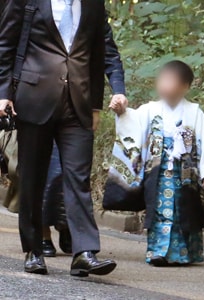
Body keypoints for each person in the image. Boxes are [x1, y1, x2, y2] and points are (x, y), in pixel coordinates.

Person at [0, 0, 117, 276]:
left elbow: (97, 52)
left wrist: (96, 105)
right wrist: (3, 93)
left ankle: (84, 252)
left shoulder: (92, 3)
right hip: (33, 98)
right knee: (32, 178)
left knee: (78, 177)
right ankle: (33, 250)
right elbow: (5, 44)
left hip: (78, 103)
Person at [110, 60, 204, 266]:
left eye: (174, 82)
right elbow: (132, 124)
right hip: (159, 172)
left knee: (184, 212)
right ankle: (158, 251)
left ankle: (184, 253)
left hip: (185, 174)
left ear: (185, 86)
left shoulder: (194, 112)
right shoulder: (150, 109)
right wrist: (121, 112)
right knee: (159, 210)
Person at [42, 17, 128, 257]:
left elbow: (109, 54)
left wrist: (118, 90)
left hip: (78, 105)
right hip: (38, 101)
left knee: (72, 173)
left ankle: (71, 230)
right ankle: (42, 232)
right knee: (42, 172)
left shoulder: (91, 9)